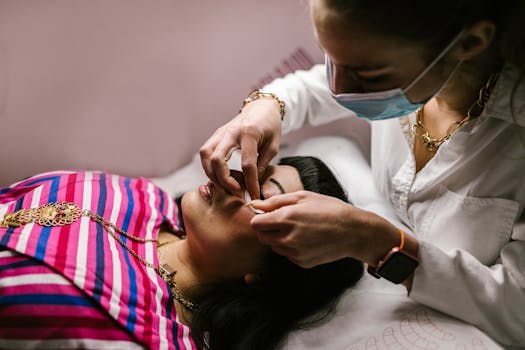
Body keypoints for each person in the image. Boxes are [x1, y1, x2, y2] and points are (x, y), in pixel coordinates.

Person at [199, 0, 525, 347]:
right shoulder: (406, 77)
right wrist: (269, 105)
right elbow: (319, 87)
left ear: (469, 44)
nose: (340, 88)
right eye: (330, 58)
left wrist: (377, 243)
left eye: (369, 75)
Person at [0, 156, 363, 350]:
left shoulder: (150, 338)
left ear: (266, 273)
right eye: (254, 169)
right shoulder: (142, 196)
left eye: (262, 197)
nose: (233, 177)